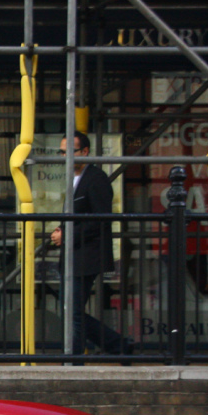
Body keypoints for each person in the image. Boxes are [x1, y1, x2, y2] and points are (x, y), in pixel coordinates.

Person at [49, 132, 133, 356]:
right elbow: (79, 216)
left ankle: (76, 358)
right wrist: (63, 230)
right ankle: (119, 346)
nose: (65, 156)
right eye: (62, 152)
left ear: (85, 151)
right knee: (70, 309)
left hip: (86, 254)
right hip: (75, 253)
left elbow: (99, 219)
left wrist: (67, 235)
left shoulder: (95, 178)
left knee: (72, 311)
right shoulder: (76, 178)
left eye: (71, 152)